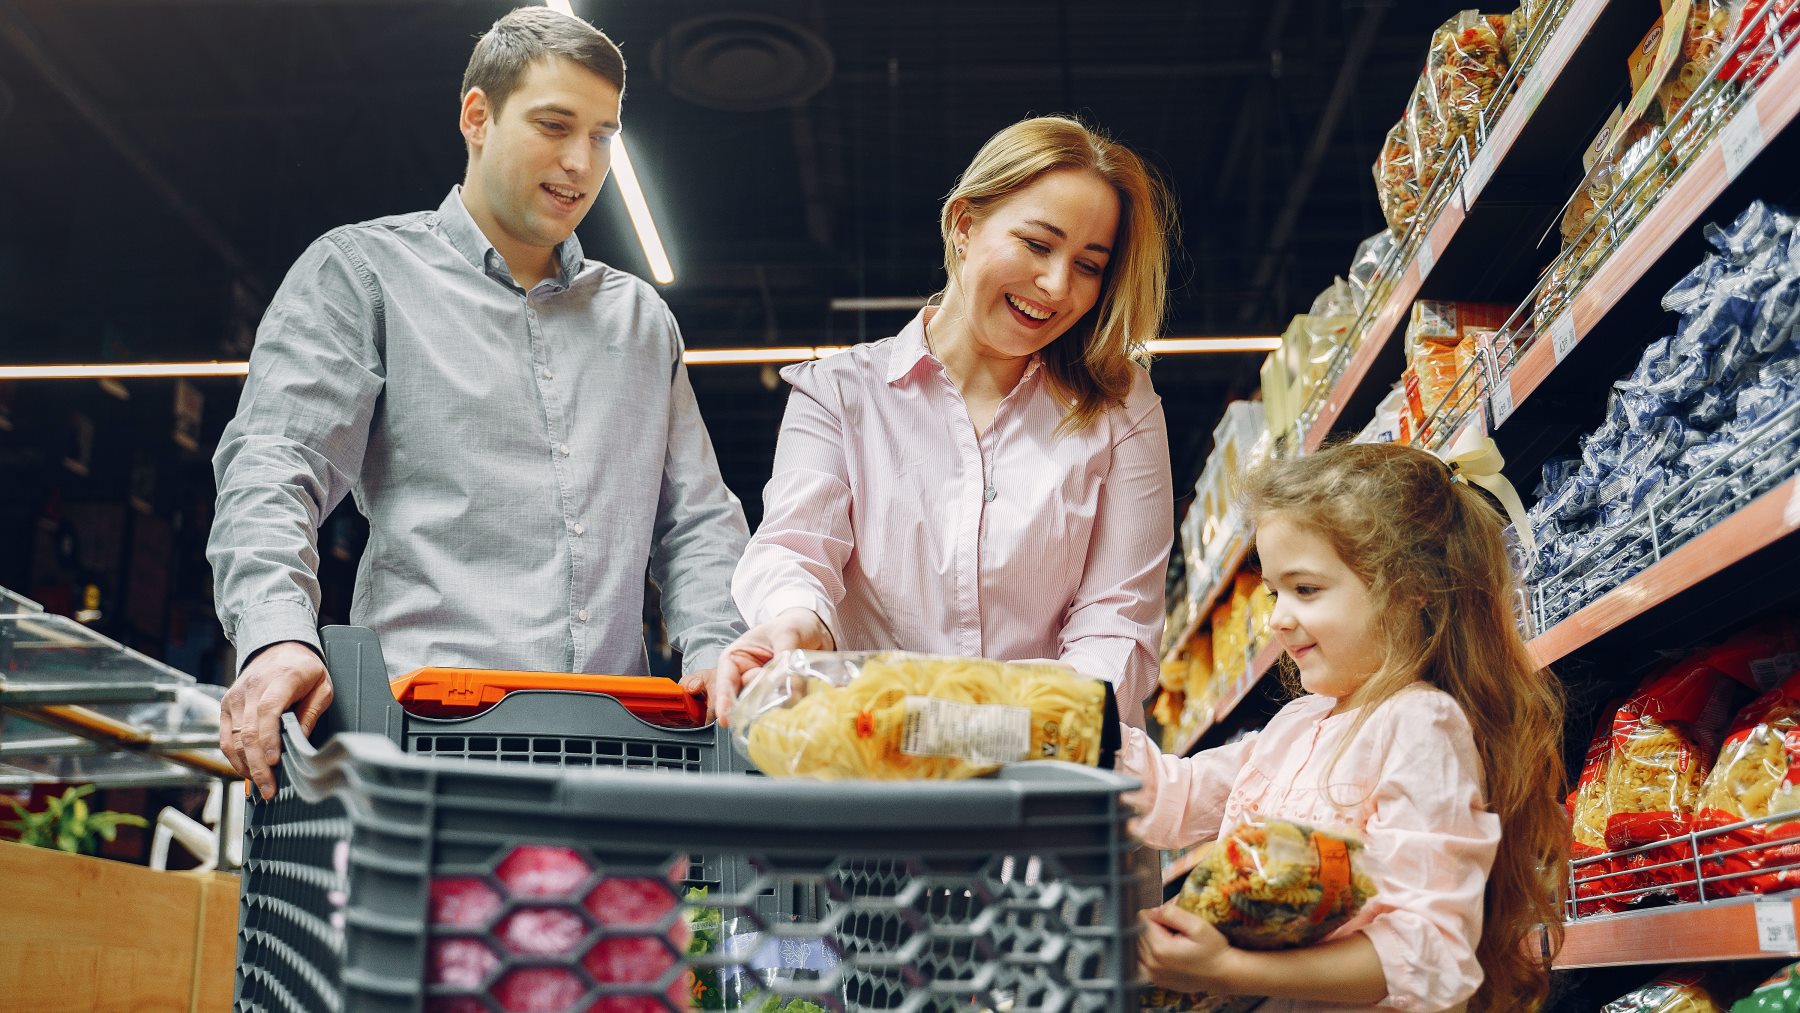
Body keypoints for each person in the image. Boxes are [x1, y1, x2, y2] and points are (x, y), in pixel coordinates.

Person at [208, 7, 748, 799]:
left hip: (616, 765)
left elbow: (696, 520)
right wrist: (276, 637)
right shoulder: (363, 275)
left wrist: (718, 652)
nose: (580, 161)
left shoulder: (640, 322)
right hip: (420, 759)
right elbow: (274, 466)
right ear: (477, 117)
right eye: (555, 125)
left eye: (602, 135)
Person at [686, 115, 1176, 729]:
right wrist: (796, 619)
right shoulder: (839, 395)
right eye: (1037, 244)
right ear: (964, 224)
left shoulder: (1118, 406)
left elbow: (1119, 618)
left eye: (1089, 265)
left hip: (1043, 774)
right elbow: (795, 549)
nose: (1055, 286)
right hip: (871, 762)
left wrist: (1024, 729)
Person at [1124, 441, 1568, 1012]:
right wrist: (1063, 725)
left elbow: (1427, 952)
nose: (1279, 619)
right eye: (1274, 593)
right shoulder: (1297, 725)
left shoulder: (1420, 725)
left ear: (1409, 590)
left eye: (1305, 589)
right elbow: (1176, 797)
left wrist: (1229, 969)